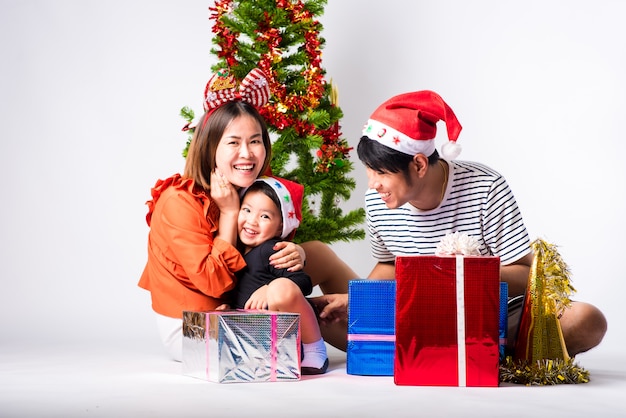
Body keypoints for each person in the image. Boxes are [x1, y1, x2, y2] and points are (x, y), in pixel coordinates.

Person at [311, 90, 607, 357]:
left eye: (382, 173)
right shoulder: (378, 201)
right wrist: (358, 301)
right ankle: (460, 353)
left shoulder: (486, 187)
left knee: (586, 320)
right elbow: (390, 265)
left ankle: (471, 352)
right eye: (369, 171)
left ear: (418, 164)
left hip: (489, 315)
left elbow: (527, 274)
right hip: (418, 313)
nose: (373, 184)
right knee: (319, 314)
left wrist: (464, 274)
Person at [138, 68, 355, 361]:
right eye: (233, 142)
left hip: (244, 299)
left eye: (255, 141)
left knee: (316, 253)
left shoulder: (250, 188)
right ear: (210, 148)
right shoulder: (178, 201)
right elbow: (213, 284)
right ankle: (369, 346)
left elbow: (267, 251)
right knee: (298, 304)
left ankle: (380, 322)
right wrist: (228, 213)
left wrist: (296, 255)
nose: (248, 153)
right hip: (196, 325)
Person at [234, 176, 328, 374]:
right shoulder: (235, 253)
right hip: (260, 338)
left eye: (265, 216)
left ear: (280, 226)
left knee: (280, 287)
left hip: (288, 331)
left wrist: (270, 288)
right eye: (247, 210)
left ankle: (314, 349)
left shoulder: (273, 249)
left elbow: (303, 281)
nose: (252, 221)